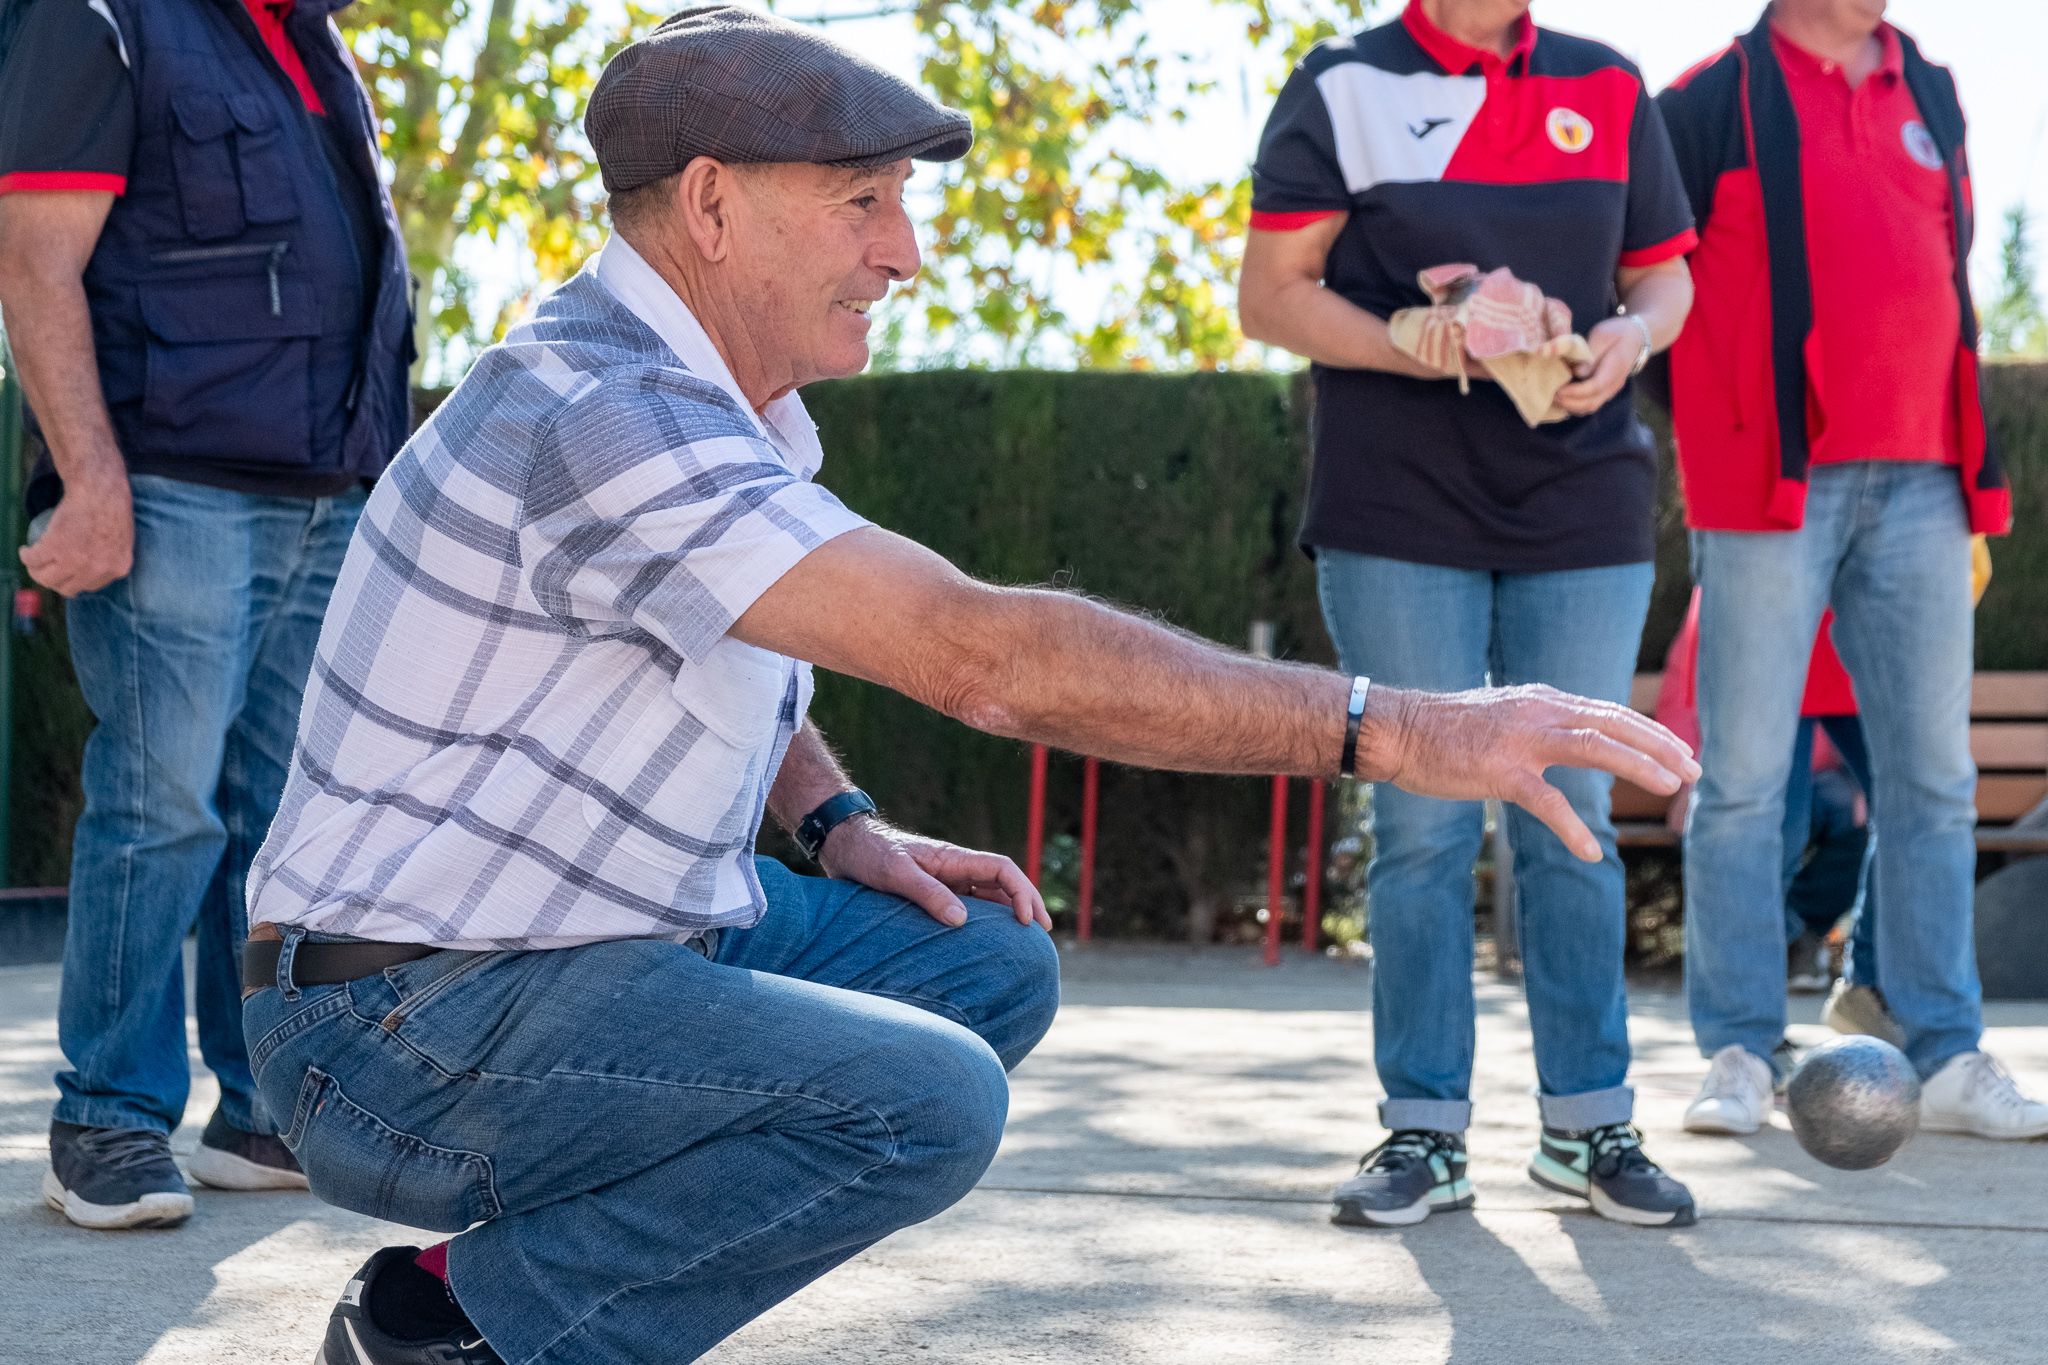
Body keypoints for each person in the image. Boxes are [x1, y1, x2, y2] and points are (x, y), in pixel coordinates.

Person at [238, 10, 1700, 1363]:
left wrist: (835, 825)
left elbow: (729, 649)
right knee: (924, 1102)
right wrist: (1399, 729)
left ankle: (539, 1269)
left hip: (574, 945)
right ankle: (469, 1326)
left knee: (980, 964)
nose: (905, 252)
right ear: (710, 206)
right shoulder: (609, 416)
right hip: (398, 1029)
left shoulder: (712, 402)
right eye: (864, 203)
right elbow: (985, 657)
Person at [1237, 0, 1701, 1229]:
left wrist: (1628, 338)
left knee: (1572, 817)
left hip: (1582, 502)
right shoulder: (1342, 84)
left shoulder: (1605, 84)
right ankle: (1423, 1135)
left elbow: (1663, 276)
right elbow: (1270, 296)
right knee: (1423, 824)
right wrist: (1412, 338)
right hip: (1397, 504)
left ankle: (1588, 1125)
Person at [0, 0, 413, 1230]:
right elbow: (31, 258)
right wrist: (89, 478)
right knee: (162, 804)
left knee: (287, 821)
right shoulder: (101, 20)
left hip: (326, 491)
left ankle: (260, 1106)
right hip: (175, 486)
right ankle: (108, 1121)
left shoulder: (311, 39)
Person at [1658, 0, 2048, 1140]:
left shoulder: (1926, 88)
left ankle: (1942, 1049)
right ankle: (1736, 1048)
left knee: (1933, 779)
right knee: (1737, 781)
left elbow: (1949, 278)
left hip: (1925, 479)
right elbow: (1649, 290)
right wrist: (1722, 431)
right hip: (1770, 486)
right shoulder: (1704, 101)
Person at [1656, 596, 1897, 1049]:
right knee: (1773, 832)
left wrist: (1855, 779)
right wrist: (1687, 771)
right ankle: (1747, 1037)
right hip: (1772, 617)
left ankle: (1861, 980)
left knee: (1906, 810)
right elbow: (1684, 689)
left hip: (1830, 767)